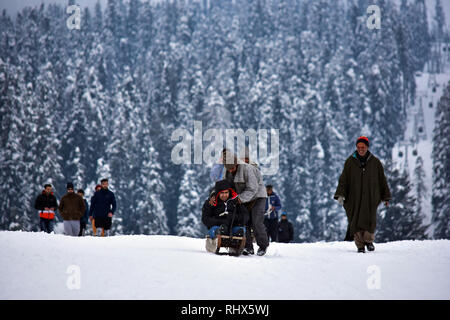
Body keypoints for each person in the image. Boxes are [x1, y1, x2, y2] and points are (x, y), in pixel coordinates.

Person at [334, 136, 391, 253]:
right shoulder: (350, 162)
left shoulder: (375, 162)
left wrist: (385, 196)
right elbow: (343, 180)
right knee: (355, 221)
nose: (361, 149)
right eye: (359, 147)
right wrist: (340, 194)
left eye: (363, 147)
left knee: (370, 220)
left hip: (371, 197)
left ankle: (368, 241)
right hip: (354, 198)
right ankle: (360, 245)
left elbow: (382, 180)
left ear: (367, 147)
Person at [222, 150, 269, 256]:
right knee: (243, 221)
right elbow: (225, 186)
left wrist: (239, 199)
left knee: (256, 222)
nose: (231, 171)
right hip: (243, 197)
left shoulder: (247, 169)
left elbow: (253, 189)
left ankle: (263, 245)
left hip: (258, 196)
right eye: (228, 169)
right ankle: (248, 247)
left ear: (236, 164)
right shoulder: (227, 171)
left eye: (232, 168)